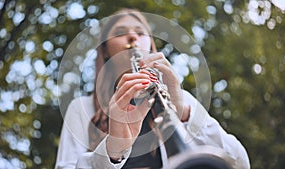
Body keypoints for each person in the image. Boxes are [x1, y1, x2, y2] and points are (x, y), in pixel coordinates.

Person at [55, 8, 250, 169]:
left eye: (140, 33)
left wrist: (184, 113)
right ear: (105, 50)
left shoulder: (181, 100)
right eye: (121, 32)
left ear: (150, 44)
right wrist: (112, 150)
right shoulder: (80, 107)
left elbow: (240, 162)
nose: (132, 36)